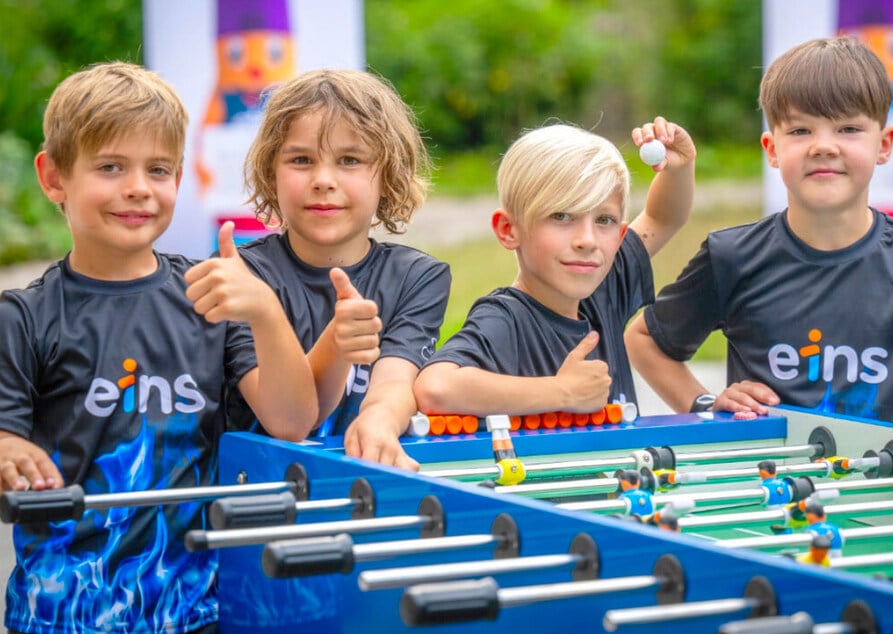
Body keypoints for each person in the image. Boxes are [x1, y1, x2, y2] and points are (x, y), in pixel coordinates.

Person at [0, 62, 318, 634]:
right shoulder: (23, 318)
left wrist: (267, 311)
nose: (138, 188)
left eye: (159, 169)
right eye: (110, 167)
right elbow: (4, 439)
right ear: (53, 178)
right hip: (61, 614)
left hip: (197, 611)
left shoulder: (212, 296)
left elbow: (292, 420)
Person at [626, 36, 893, 429]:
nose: (823, 147)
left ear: (884, 145)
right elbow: (643, 341)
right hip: (769, 486)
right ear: (772, 149)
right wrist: (706, 404)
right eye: (800, 131)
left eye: (848, 129)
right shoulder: (732, 255)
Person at [232, 69, 450, 470]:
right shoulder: (241, 275)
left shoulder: (419, 278)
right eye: (301, 160)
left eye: (349, 160)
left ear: (388, 177)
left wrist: (379, 419)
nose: (323, 180)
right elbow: (287, 421)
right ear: (270, 173)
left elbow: (394, 382)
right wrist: (336, 341)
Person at [414, 120, 695, 417]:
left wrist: (679, 166)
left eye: (604, 220)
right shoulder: (506, 319)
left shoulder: (604, 288)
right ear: (509, 230)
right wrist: (564, 391)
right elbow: (434, 388)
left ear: (620, 236)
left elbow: (663, 218)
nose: (587, 240)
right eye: (562, 216)